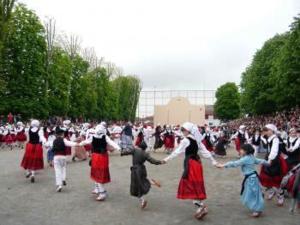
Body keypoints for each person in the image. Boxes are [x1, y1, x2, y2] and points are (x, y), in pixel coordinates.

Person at [163, 122, 217, 220]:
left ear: (188, 130)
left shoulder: (186, 140)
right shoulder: (197, 140)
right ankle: (199, 206)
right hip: (197, 164)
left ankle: (200, 206)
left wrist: (166, 159)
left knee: (190, 185)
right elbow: (205, 152)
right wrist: (213, 161)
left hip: (191, 165)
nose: (182, 131)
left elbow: (177, 152)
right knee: (196, 185)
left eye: (183, 130)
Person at [216, 144, 269, 217]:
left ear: (246, 151)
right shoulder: (251, 157)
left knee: (254, 194)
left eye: (242, 149)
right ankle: (257, 208)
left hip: (251, 179)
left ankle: (257, 210)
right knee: (253, 194)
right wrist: (268, 163)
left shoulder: (246, 158)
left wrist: (223, 165)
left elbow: (235, 163)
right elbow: (260, 161)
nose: (240, 151)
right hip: (252, 178)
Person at [79, 124, 121, 201]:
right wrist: (119, 148)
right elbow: (112, 143)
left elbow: (86, 141)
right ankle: (97, 189)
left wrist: (79, 144)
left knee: (97, 173)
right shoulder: (105, 137)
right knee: (98, 173)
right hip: (102, 156)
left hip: (97, 157)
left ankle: (102, 192)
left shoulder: (93, 137)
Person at [121, 141, 165, 209]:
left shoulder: (135, 150)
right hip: (142, 169)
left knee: (136, 186)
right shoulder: (145, 153)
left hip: (135, 170)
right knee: (142, 181)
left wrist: (122, 152)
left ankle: (142, 200)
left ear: (139, 146)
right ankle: (152, 183)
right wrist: (160, 162)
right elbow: (153, 161)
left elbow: (126, 152)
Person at [259, 124, 288, 206]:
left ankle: (280, 196)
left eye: (267, 130)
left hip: (274, 161)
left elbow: (274, 150)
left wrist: (270, 160)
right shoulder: (269, 137)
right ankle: (272, 191)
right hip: (269, 159)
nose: (266, 132)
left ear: (272, 130)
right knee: (266, 177)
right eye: (265, 130)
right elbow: (267, 147)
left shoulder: (275, 138)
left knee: (275, 179)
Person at [51, 127, 78, 192]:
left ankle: (59, 185)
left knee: (57, 171)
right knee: (63, 168)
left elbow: (50, 147)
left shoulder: (54, 141)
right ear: (62, 134)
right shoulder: (64, 140)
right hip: (63, 156)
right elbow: (70, 143)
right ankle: (63, 179)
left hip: (56, 157)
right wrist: (78, 144)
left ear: (56, 134)